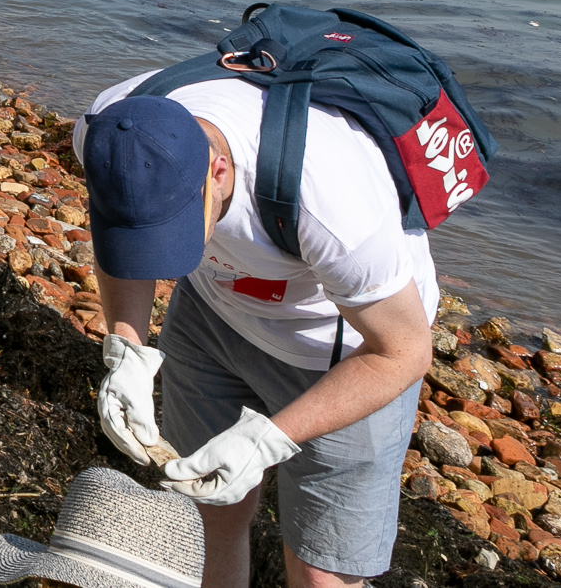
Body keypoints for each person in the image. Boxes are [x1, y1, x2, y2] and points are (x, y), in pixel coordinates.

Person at [74, 69, 436, 588]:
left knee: (320, 570)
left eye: (174, 231)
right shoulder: (108, 129)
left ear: (218, 172)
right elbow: (120, 237)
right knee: (203, 514)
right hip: (211, 318)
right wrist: (126, 348)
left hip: (344, 350)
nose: (160, 257)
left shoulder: (330, 200)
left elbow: (404, 351)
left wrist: (270, 439)